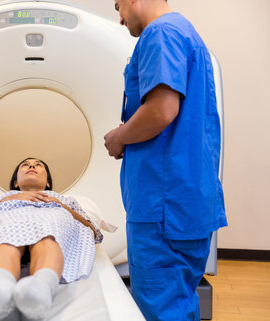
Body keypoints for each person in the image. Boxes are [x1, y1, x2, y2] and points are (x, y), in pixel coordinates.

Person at [103, 0, 227, 320]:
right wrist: (132, 129)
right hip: (188, 200)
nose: (119, 19)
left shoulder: (161, 33)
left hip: (163, 206)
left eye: (119, 7)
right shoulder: (185, 33)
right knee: (180, 301)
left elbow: (161, 111)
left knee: (161, 306)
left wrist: (120, 138)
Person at [0, 157, 103, 320]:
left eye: (38, 165)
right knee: (5, 239)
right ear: (16, 183)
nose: (32, 165)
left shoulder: (63, 200)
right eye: (25, 165)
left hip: (50, 226)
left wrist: (60, 205)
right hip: (9, 229)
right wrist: (6, 201)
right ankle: (1, 288)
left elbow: (92, 232)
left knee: (48, 235)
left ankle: (41, 288)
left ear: (47, 183)